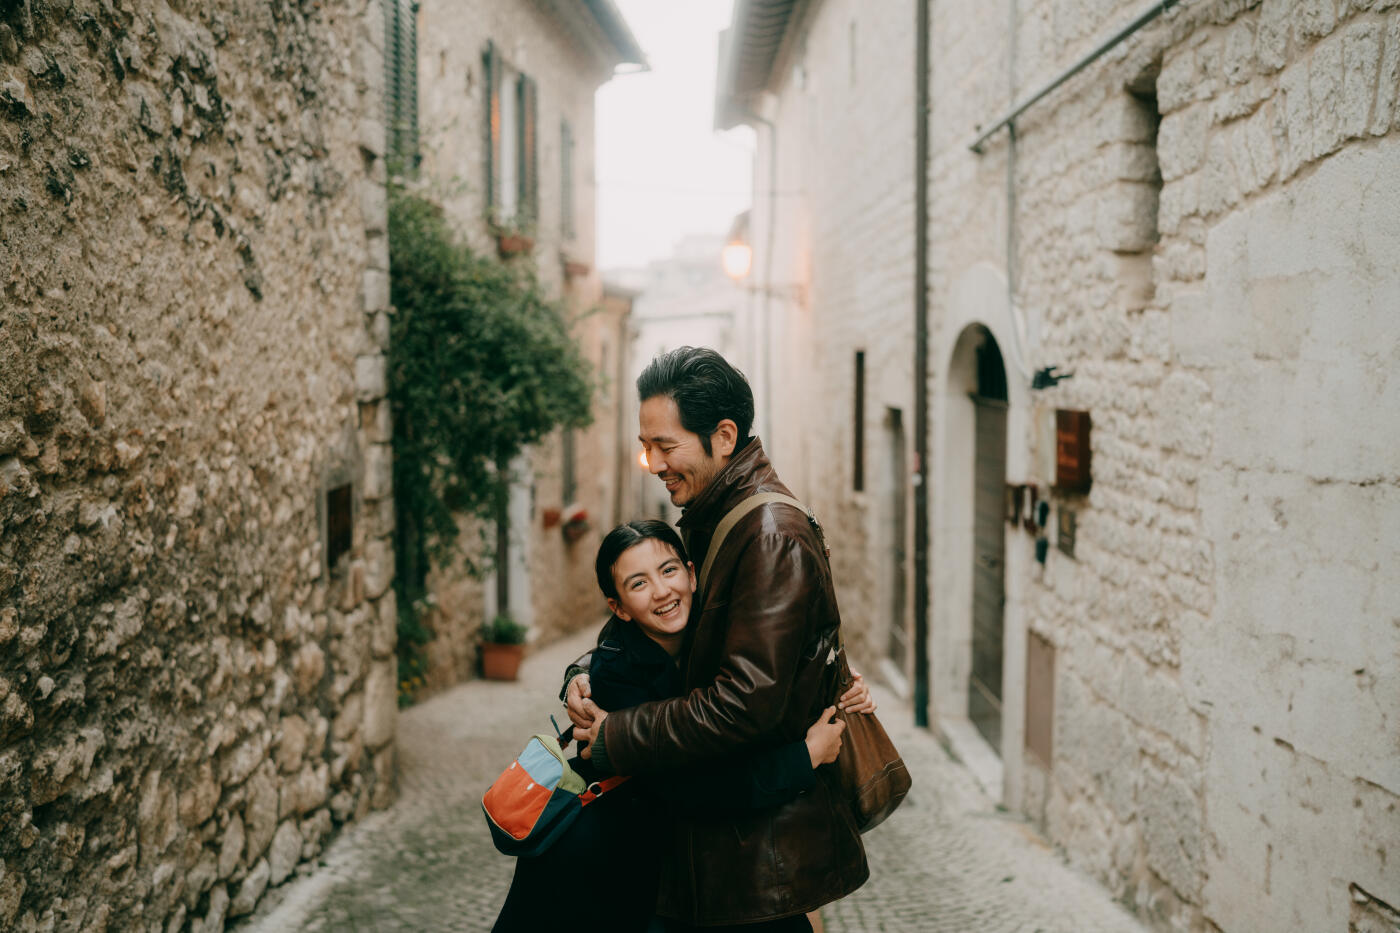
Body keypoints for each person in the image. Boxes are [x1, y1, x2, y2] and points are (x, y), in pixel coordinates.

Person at [567, 346, 871, 932]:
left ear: (724, 436)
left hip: (755, 863)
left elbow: (743, 704)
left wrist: (615, 734)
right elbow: (673, 639)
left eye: (665, 445)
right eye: (647, 445)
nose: (652, 461)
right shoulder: (717, 519)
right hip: (723, 856)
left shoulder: (767, 536)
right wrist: (586, 673)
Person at [492, 520, 871, 933]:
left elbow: (778, 673)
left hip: (685, 859)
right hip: (607, 868)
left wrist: (844, 692)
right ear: (618, 606)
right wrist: (804, 757)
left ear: (692, 575)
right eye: (638, 584)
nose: (661, 592)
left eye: (669, 571)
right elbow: (694, 785)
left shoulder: (721, 638)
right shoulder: (616, 677)